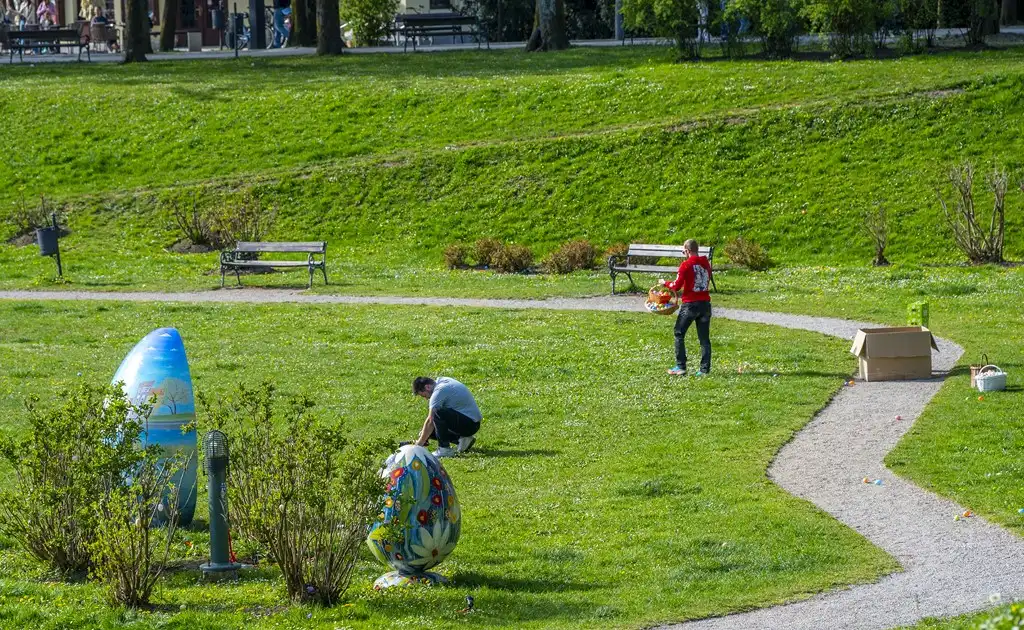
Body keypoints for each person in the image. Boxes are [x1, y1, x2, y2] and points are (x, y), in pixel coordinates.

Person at [659, 238, 713, 376]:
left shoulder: (686, 265)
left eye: (684, 251)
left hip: (690, 305)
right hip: (705, 304)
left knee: (679, 332)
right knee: (704, 338)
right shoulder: (706, 263)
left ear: (687, 251)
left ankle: (681, 366)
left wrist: (665, 283)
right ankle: (704, 370)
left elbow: (676, 286)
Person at [411, 376, 481, 458]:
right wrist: (423, 435)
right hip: (470, 422)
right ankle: (462, 439)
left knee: (437, 412)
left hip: (470, 424)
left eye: (424, 395)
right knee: (426, 432)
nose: (426, 399)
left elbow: (430, 419)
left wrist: (419, 444)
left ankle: (444, 449)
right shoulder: (443, 380)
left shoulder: (439, 391)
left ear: (427, 387)